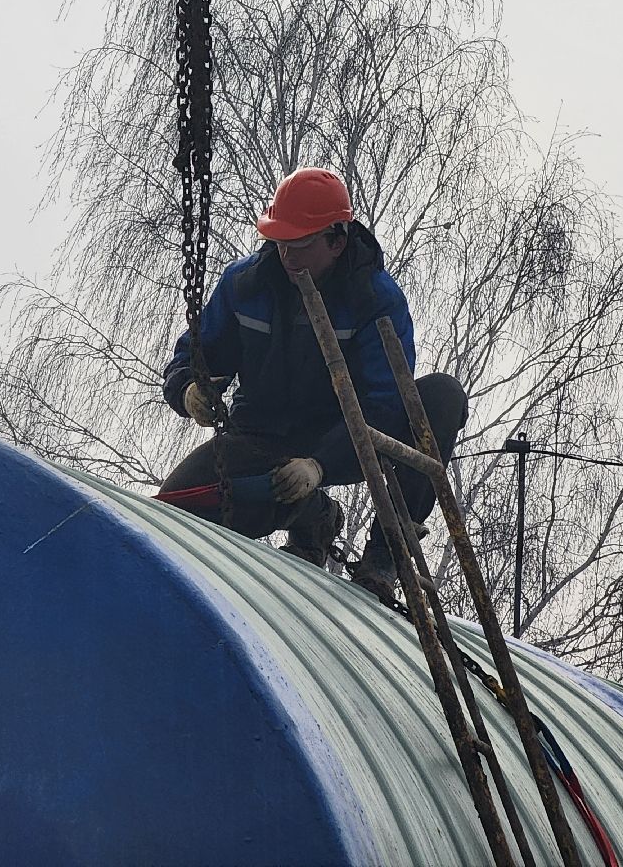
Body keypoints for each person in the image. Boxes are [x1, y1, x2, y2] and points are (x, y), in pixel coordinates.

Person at [159, 167, 468, 600]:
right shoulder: (244, 285)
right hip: (260, 434)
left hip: (347, 440)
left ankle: (384, 556)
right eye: (280, 244)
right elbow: (199, 353)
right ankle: (313, 516)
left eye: (300, 247)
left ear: (337, 242)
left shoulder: (375, 301)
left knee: (440, 398)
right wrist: (189, 388)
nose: (287, 258)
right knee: (172, 510)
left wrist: (320, 463)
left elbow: (382, 405)